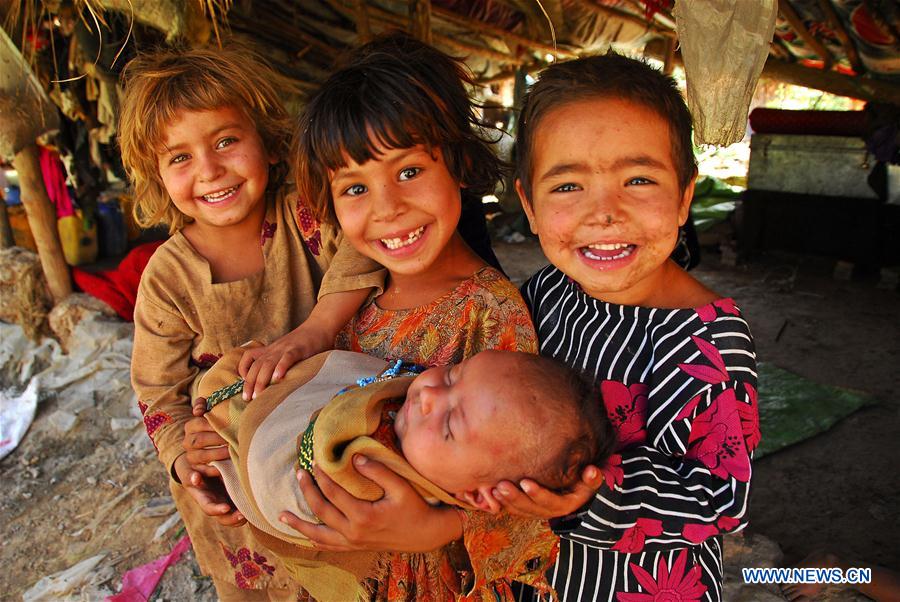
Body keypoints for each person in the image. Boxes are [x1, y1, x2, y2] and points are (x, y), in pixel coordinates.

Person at [266, 33, 544, 601]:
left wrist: (435, 529)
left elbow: (530, 485)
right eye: (354, 187)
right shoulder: (349, 304)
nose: (387, 208)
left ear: (459, 163)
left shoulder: (489, 315)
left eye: (409, 172)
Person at [121, 45, 384, 600]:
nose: (210, 170)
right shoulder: (166, 277)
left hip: (325, 444)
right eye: (180, 157)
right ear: (156, 176)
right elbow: (157, 392)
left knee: (350, 569)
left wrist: (316, 329)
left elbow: (361, 250)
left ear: (266, 138)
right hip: (234, 472)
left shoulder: (305, 213)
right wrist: (186, 462)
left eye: (225, 141)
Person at [496, 53, 761, 601]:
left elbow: (721, 500)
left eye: (638, 179)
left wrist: (590, 495)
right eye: (567, 186)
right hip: (535, 575)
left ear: (685, 197)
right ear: (528, 204)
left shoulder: (708, 343)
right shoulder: (547, 290)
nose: (605, 212)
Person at [191, 346, 616, 602]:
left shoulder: (368, 474)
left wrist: (439, 528)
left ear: (479, 498)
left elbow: (287, 491)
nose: (428, 394)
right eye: (452, 374)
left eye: (449, 425)